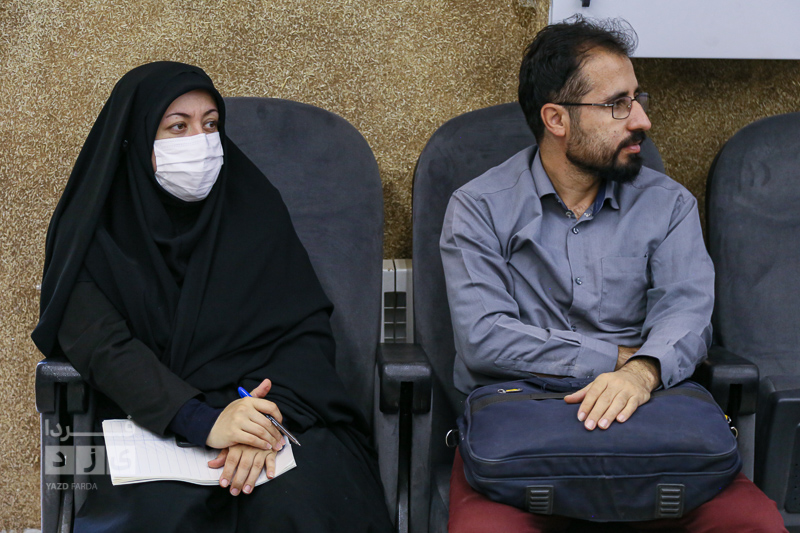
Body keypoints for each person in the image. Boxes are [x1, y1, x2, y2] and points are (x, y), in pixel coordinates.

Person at [440, 18, 787, 532]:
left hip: (649, 416)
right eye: (618, 104)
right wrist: (617, 359)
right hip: (521, 428)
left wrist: (640, 373)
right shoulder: (479, 208)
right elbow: (484, 338)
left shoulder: (668, 205)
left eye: (637, 98)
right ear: (557, 119)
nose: (642, 119)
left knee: (753, 522)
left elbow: (687, 313)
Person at [32, 61, 393, 533]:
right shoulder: (92, 234)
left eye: (210, 125)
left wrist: (259, 424)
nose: (199, 142)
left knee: (309, 502)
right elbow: (105, 348)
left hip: (273, 414)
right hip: (154, 421)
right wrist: (205, 421)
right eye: (177, 127)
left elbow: (303, 332)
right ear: (135, 138)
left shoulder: (252, 207)